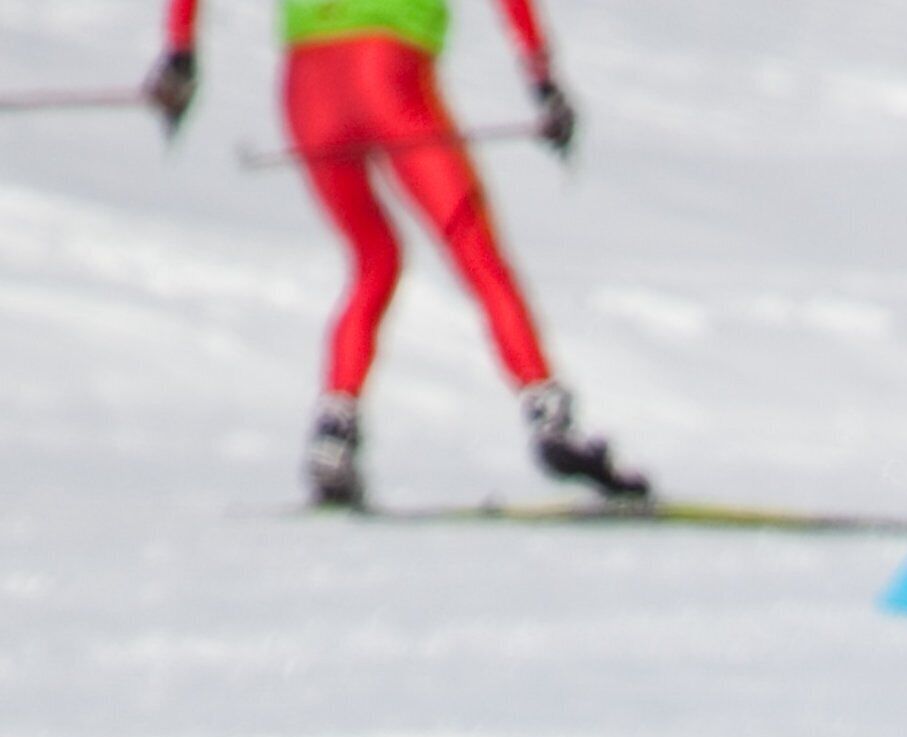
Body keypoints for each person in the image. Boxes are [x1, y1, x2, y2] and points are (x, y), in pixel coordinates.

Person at [146, 0, 644, 508]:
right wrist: (543, 80)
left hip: (307, 87)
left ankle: (334, 434)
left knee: (374, 258)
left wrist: (180, 55)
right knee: (476, 254)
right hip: (387, 72)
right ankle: (549, 418)